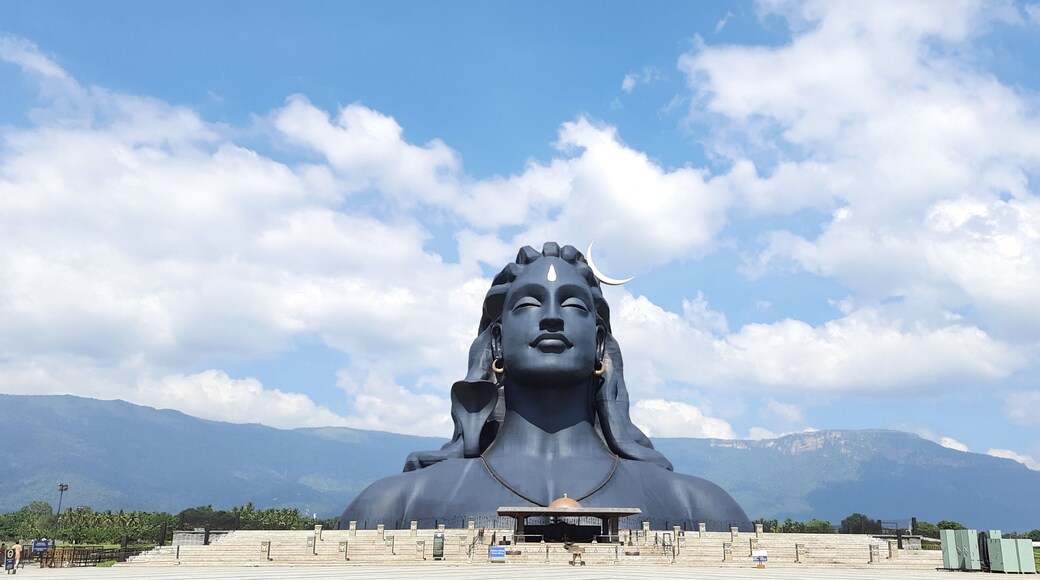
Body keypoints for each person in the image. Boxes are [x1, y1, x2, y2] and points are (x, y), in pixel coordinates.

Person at [341, 243, 749, 531]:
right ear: (497, 342)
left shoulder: (699, 507)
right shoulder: (392, 505)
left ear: (600, 345)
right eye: (529, 304)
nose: (552, 318)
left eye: (572, 305)